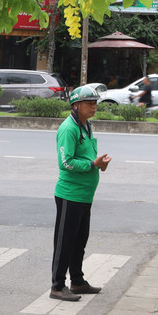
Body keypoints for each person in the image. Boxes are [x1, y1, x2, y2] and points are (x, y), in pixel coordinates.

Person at [51, 83, 111, 301]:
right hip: (70, 194)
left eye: (95, 103)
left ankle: (77, 281)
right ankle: (57, 285)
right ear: (75, 105)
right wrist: (92, 165)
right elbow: (65, 162)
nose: (94, 107)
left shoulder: (86, 125)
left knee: (79, 241)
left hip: (85, 195)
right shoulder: (69, 128)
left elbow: (87, 158)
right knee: (64, 242)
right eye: (89, 103)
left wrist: (99, 164)